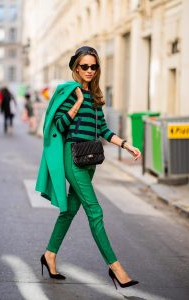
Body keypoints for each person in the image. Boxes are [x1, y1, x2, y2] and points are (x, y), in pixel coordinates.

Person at [36, 46, 141, 289]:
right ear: (75, 68)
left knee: (70, 210)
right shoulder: (69, 93)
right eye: (84, 66)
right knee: (95, 211)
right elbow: (57, 126)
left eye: (93, 66)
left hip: (90, 159)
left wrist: (126, 145)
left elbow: (103, 130)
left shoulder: (95, 98)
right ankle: (116, 268)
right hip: (72, 158)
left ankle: (49, 254)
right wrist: (78, 101)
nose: (89, 70)